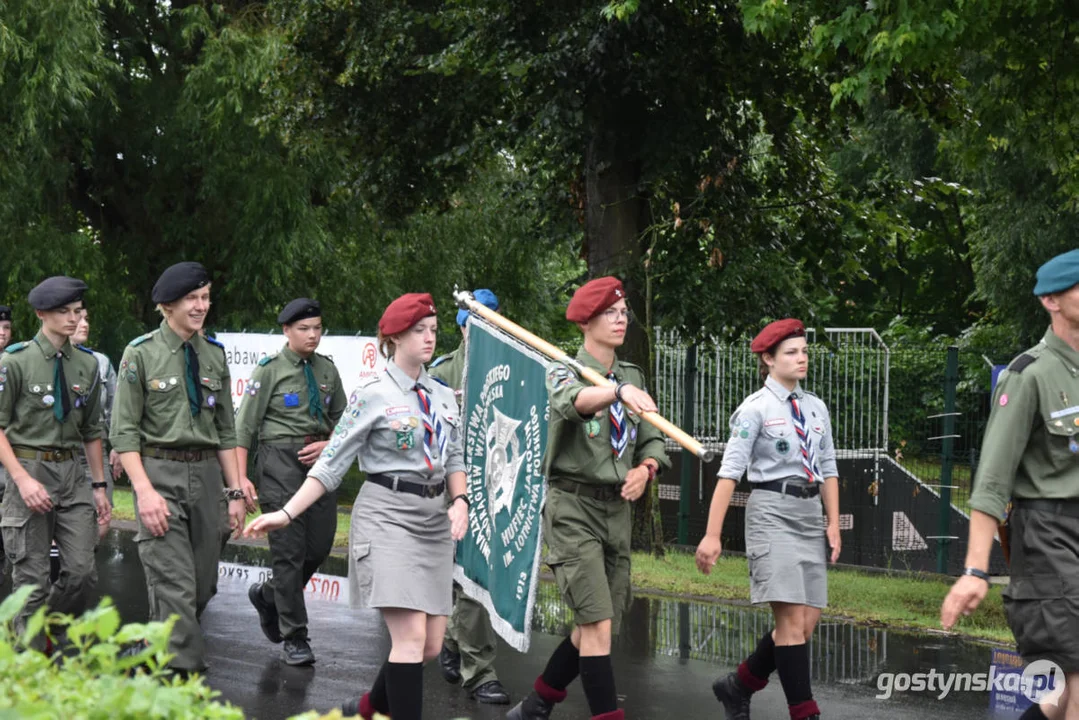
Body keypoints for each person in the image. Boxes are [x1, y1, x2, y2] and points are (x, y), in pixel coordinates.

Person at [244, 292, 469, 720]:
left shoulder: (441, 394)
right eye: (419, 330)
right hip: (388, 517)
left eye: (433, 330)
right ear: (394, 337)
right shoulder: (372, 394)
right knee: (408, 640)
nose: (429, 339)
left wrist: (459, 500)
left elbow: (453, 457)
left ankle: (364, 709)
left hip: (434, 522)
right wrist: (287, 512)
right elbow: (330, 465)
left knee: (430, 646)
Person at [507, 276, 670, 720]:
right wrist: (616, 393)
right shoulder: (563, 370)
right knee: (596, 625)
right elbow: (572, 402)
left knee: (595, 629)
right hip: (572, 510)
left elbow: (654, 439)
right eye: (610, 314)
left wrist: (645, 469)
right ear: (586, 323)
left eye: (623, 314)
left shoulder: (633, 376)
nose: (620, 321)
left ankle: (537, 704)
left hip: (616, 513)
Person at [941, 248, 1079, 720]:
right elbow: (992, 482)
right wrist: (975, 570)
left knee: (1062, 700)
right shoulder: (1029, 375)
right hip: (1048, 537)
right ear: (1051, 301)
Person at [110, 261, 254, 675]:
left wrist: (234, 493)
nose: (200, 306)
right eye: (192, 298)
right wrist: (144, 491)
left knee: (202, 586)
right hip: (159, 476)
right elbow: (125, 433)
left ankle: (150, 651)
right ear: (167, 305)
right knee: (175, 584)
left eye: (205, 297)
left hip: (208, 478)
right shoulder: (140, 354)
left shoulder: (214, 355)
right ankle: (184, 676)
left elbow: (226, 431)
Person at [693, 318, 840, 720]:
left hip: (810, 514)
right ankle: (804, 712)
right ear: (768, 359)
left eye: (804, 351)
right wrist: (712, 535)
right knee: (791, 624)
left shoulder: (816, 407)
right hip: (771, 513)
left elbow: (828, 466)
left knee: (805, 625)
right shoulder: (754, 410)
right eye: (791, 352)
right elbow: (729, 473)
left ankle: (737, 686)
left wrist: (832, 520)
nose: (801, 358)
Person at [236, 297, 347, 666]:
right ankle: (295, 635)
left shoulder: (328, 371)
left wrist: (329, 444)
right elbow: (244, 429)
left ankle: (269, 595)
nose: (312, 335)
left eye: (317, 328)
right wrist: (240, 481)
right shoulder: (269, 371)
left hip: (319, 464)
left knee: (318, 547)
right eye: (304, 328)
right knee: (288, 553)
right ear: (286, 330)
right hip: (279, 463)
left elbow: (346, 423)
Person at [0, 277, 111, 644]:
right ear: (41, 313)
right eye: (63, 311)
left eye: (76, 311)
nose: (72, 318)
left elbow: (93, 430)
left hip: (72, 471)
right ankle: (29, 661)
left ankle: (39, 626)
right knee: (31, 577)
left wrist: (98, 486)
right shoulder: (15, 361)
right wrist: (21, 479)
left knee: (82, 572)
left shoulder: (88, 365)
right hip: (29, 466)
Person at [431, 288, 510, 705]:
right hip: (456, 485)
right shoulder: (444, 371)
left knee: (483, 575)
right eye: (474, 323)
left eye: (490, 321)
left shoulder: (512, 368)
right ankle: (480, 671)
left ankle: (449, 638)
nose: (481, 330)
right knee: (471, 573)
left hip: (499, 485)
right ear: (462, 326)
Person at [72, 311, 120, 515]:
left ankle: (89, 548)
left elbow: (115, 408)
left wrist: (118, 446)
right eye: (78, 318)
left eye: (87, 319)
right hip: (58, 447)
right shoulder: (34, 360)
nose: (84, 324)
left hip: (95, 446)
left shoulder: (100, 362)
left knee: (102, 515)